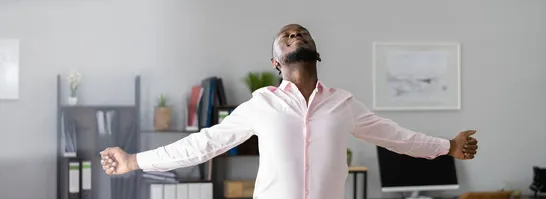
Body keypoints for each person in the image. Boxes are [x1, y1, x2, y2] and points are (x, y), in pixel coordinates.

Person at [100, 24, 479, 199]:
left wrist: (447, 146)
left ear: (316, 52)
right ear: (276, 61)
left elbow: (396, 137)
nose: (295, 36)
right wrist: (134, 160)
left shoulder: (344, 104)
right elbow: (204, 145)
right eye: (286, 36)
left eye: (302, 34)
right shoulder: (261, 104)